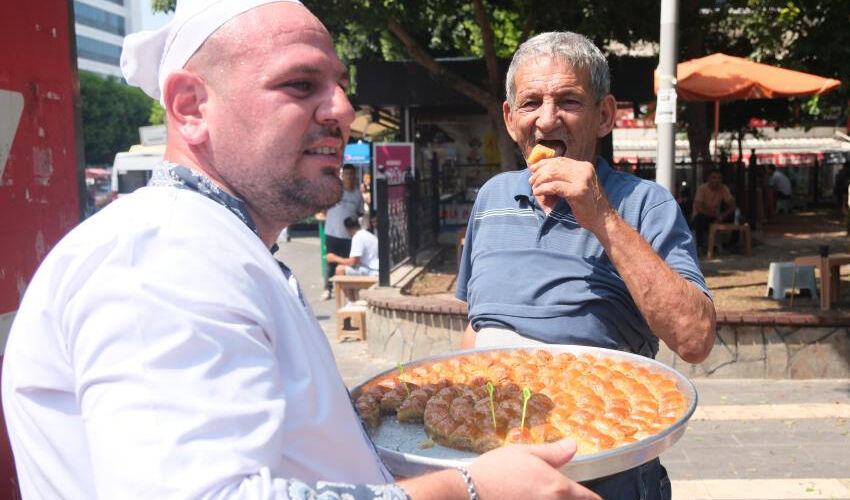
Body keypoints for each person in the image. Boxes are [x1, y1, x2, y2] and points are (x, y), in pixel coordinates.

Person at [1, 2, 599, 499]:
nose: (342, 108)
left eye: (339, 85)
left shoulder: (213, 245)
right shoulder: (160, 253)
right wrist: (468, 488)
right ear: (190, 107)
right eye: (300, 84)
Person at [456, 31, 716, 499]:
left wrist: (602, 217)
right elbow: (478, 325)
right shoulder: (491, 198)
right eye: (531, 102)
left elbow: (695, 340)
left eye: (569, 101)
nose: (547, 118)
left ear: (604, 116)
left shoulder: (644, 205)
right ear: (510, 117)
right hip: (495, 472)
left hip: (603, 472)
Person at [321, 164, 364, 300]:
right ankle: (328, 288)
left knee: (347, 262)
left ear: (354, 175)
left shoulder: (357, 195)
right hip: (332, 233)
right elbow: (324, 207)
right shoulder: (335, 190)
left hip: (349, 236)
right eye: (346, 174)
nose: (349, 177)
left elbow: (360, 213)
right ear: (342, 175)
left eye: (351, 174)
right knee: (331, 262)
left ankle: (347, 290)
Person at [690, 168, 737, 253]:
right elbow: (698, 208)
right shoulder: (702, 188)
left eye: (719, 178)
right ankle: (700, 246)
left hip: (716, 217)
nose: (717, 180)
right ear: (709, 179)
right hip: (703, 217)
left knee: (737, 217)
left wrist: (723, 215)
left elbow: (732, 205)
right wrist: (715, 215)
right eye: (714, 177)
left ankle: (732, 245)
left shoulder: (723, 188)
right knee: (699, 218)